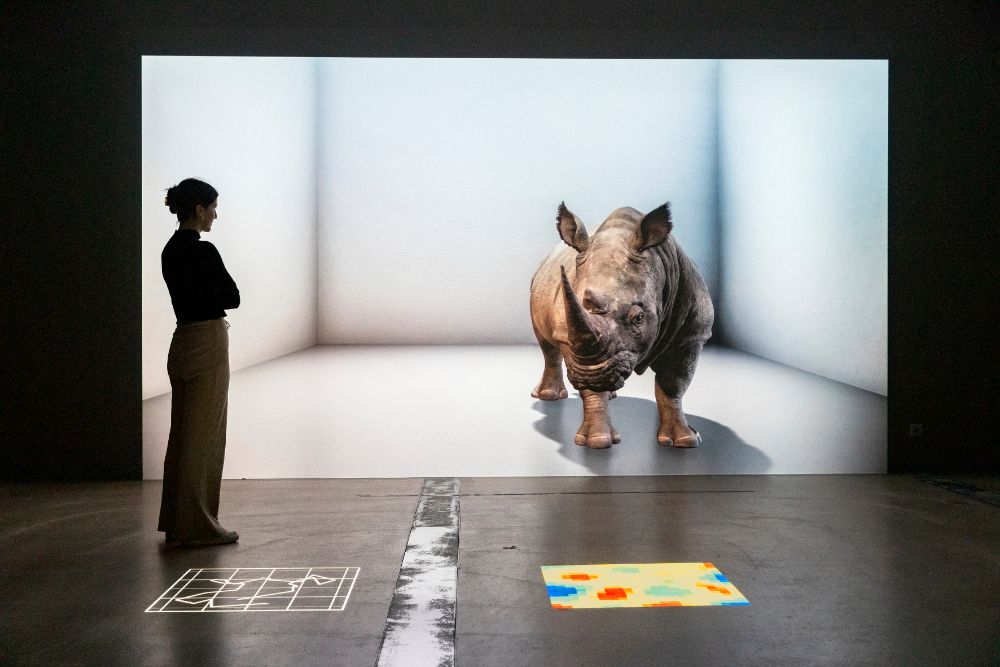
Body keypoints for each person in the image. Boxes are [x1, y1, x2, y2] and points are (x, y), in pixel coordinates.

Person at [158, 178, 241, 547]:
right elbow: (232, 297)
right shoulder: (204, 251)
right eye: (213, 208)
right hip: (208, 341)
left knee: (181, 437)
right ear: (199, 210)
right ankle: (197, 525)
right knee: (204, 438)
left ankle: (177, 522)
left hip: (182, 341)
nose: (215, 216)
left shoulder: (169, 250)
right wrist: (213, 291)